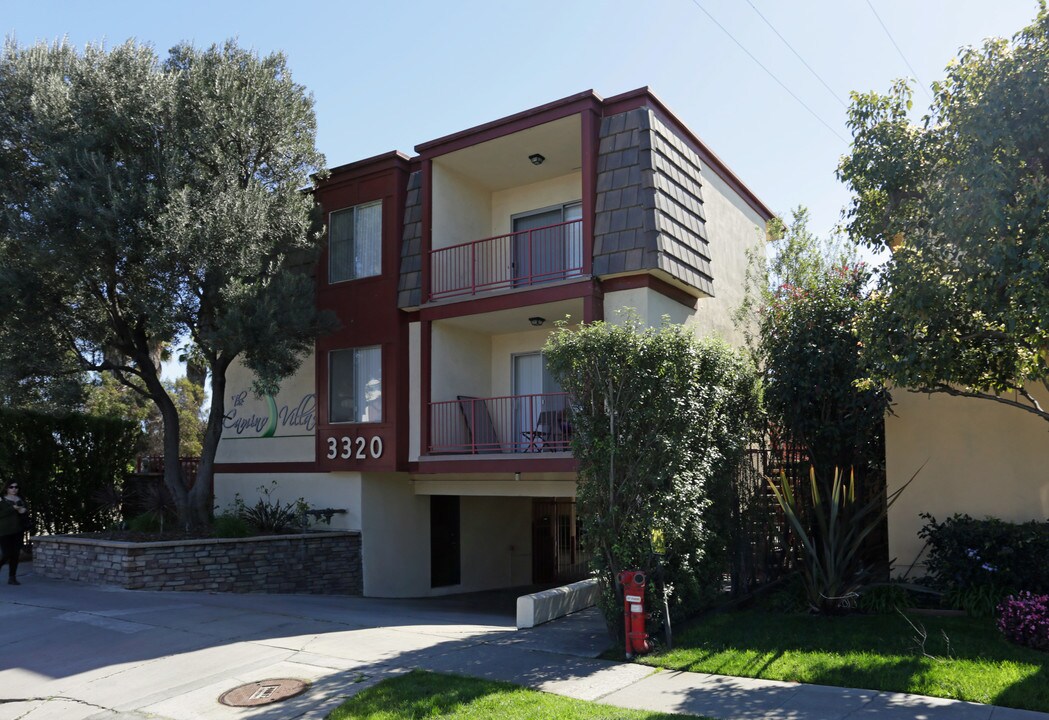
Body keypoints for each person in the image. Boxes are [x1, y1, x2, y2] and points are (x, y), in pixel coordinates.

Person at [0, 481, 28, 585]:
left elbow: (24, 513)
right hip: (4, 531)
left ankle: (12, 578)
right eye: (11, 487)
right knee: (6, 554)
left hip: (18, 531)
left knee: (15, 555)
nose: (14, 489)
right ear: (7, 488)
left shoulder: (20, 499)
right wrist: (12, 508)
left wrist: (23, 511)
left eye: (16, 487)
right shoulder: (1, 500)